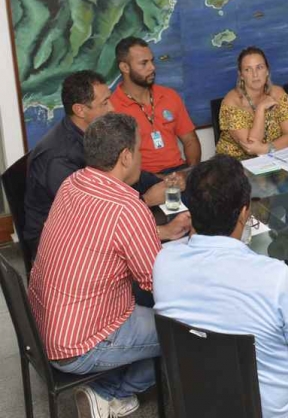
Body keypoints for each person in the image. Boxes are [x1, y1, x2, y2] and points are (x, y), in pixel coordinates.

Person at [153, 155, 288, 418]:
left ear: (191, 212)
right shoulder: (277, 279)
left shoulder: (164, 260)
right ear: (245, 213)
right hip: (266, 411)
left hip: (197, 398)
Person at [28, 113, 186, 418]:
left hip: (44, 324)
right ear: (126, 157)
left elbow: (101, 237)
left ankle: (109, 380)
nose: (141, 157)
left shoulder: (73, 183)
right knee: (185, 330)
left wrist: (162, 233)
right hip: (77, 344)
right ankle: (108, 393)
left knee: (145, 302)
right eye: (139, 150)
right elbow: (158, 282)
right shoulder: (128, 208)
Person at [24, 71, 185, 259]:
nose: (112, 108)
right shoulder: (58, 159)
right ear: (80, 110)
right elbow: (91, 218)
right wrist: (147, 202)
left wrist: (162, 182)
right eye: (104, 103)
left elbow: (123, 172)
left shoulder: (95, 133)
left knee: (180, 213)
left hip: (96, 220)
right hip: (60, 245)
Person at [110, 36, 201, 174]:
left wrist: (190, 173)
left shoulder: (170, 96)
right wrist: (159, 181)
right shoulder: (111, 108)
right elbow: (115, 163)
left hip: (179, 172)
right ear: (124, 67)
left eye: (152, 61)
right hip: (141, 179)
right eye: (144, 63)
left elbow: (190, 140)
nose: (152, 67)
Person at [216, 47, 288, 159]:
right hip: (235, 164)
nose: (255, 74)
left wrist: (267, 149)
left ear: (267, 71)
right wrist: (261, 109)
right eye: (248, 70)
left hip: (272, 157)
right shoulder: (231, 102)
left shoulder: (278, 94)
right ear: (241, 75)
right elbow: (250, 148)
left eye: (259, 67)